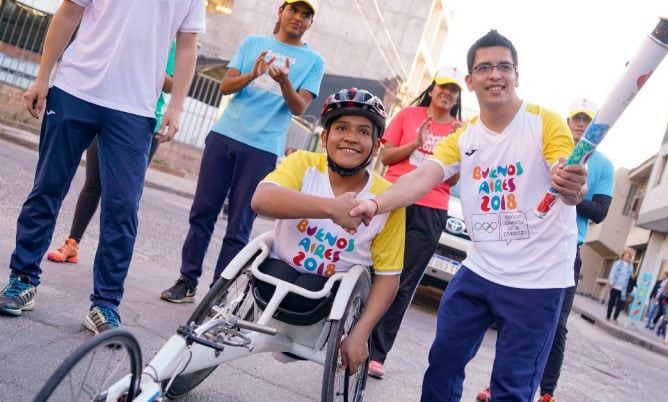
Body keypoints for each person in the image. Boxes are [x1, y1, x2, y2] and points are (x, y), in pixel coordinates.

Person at [348, 29, 588, 402]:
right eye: (485, 67)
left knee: (512, 386)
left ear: (517, 75)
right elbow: (422, 177)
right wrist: (376, 204)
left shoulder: (545, 122)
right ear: (470, 80)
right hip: (480, 269)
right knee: (442, 363)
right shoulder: (463, 138)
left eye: (504, 67)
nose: (496, 74)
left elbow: (564, 171)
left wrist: (570, 183)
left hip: (538, 280)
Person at [0, 0, 203, 335]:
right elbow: (68, 13)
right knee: (48, 189)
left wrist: (177, 107)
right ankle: (22, 280)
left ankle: (105, 305)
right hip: (74, 89)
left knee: (122, 209)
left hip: (134, 108)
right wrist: (42, 77)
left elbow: (187, 44)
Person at [160, 0, 325, 303]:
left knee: (239, 225)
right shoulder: (253, 43)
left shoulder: (313, 61)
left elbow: (299, 106)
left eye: (306, 15)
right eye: (294, 10)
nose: (298, 18)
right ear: (281, 11)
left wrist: (285, 81)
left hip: (262, 149)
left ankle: (217, 293)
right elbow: (225, 87)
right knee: (202, 213)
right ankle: (187, 280)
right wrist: (253, 74)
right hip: (225, 136)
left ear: (310, 23)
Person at [250, 88, 404, 373]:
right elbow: (261, 200)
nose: (350, 138)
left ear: (376, 145)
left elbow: (388, 277)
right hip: (274, 278)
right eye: (341, 128)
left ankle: (299, 336)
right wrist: (331, 208)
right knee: (279, 273)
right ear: (324, 137)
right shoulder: (303, 164)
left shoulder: (386, 198)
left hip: (326, 301)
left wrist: (360, 333)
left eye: (363, 132)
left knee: (312, 287)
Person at [477, 98, 615, 402]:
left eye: (587, 121)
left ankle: (547, 391)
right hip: (532, 241)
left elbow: (601, 211)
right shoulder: (546, 147)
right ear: (567, 122)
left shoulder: (603, 165)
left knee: (556, 326)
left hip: (567, 249)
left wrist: (573, 194)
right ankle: (496, 386)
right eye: (576, 119)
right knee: (514, 319)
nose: (581, 125)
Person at [368, 65, 464, 380]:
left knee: (403, 282)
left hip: (432, 208)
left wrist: (455, 152)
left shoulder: (461, 130)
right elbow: (387, 157)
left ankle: (376, 354)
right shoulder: (409, 115)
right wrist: (417, 142)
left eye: (454, 90)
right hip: (395, 198)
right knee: (370, 269)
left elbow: (456, 179)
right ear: (433, 88)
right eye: (443, 87)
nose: (448, 93)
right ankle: (347, 334)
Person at [46, 41, 177, 264]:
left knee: (124, 196)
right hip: (107, 110)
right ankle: (72, 243)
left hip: (143, 123)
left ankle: (111, 258)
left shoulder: (169, 41)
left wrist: (144, 57)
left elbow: (170, 84)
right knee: (93, 183)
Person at [606, 250, 634, 321]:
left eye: (628, 256)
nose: (627, 257)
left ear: (630, 258)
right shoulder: (618, 263)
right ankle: (608, 315)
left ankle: (615, 317)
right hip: (615, 286)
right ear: (623, 256)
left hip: (623, 288)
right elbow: (613, 272)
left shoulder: (630, 266)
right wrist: (611, 282)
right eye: (625, 256)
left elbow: (631, 276)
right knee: (611, 302)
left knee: (620, 303)